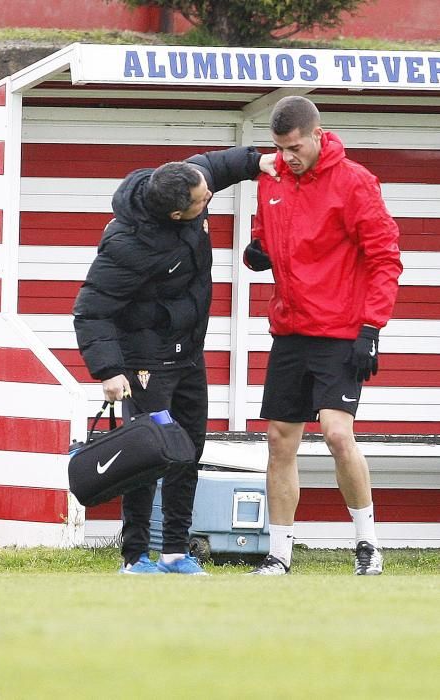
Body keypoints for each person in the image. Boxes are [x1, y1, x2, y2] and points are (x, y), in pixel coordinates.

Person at [74, 146, 276, 575]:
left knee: (188, 452)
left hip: (189, 355)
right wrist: (109, 370)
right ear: (176, 216)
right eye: (204, 203)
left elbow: (217, 166)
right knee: (149, 455)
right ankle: (135, 557)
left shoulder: (187, 181)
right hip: (146, 361)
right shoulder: (127, 245)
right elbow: (92, 309)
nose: (210, 202)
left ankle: (175, 552)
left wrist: (258, 161)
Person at [244, 96, 403, 576]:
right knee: (278, 440)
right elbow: (266, 233)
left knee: (336, 433)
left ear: (317, 134)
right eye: (279, 147)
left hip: (341, 331)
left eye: (293, 147)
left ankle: (367, 544)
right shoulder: (270, 180)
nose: (286, 156)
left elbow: (385, 258)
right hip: (290, 329)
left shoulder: (355, 182)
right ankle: (280, 554)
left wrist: (372, 328)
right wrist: (260, 248)